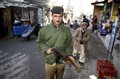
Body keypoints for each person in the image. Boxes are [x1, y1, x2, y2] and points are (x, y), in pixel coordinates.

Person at [36, 6, 74, 79]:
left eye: (60, 16)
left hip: (62, 61)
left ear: (62, 17)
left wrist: (69, 55)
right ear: (52, 16)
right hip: (49, 61)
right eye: (55, 16)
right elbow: (39, 42)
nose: (58, 19)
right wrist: (46, 49)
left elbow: (69, 44)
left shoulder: (66, 31)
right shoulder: (44, 30)